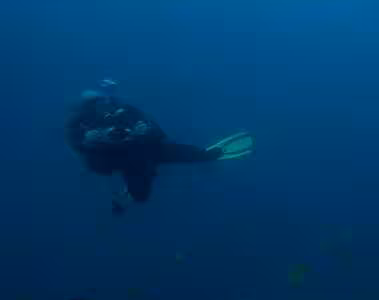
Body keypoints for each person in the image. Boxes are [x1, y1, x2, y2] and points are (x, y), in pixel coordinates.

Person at [65, 79, 253, 215]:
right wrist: (88, 139)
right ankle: (134, 190)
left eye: (101, 100)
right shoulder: (80, 122)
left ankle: (208, 155)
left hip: (146, 150)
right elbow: (76, 145)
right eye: (93, 103)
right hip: (119, 161)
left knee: (201, 155)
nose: (100, 105)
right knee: (140, 197)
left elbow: (156, 131)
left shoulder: (126, 110)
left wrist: (145, 130)